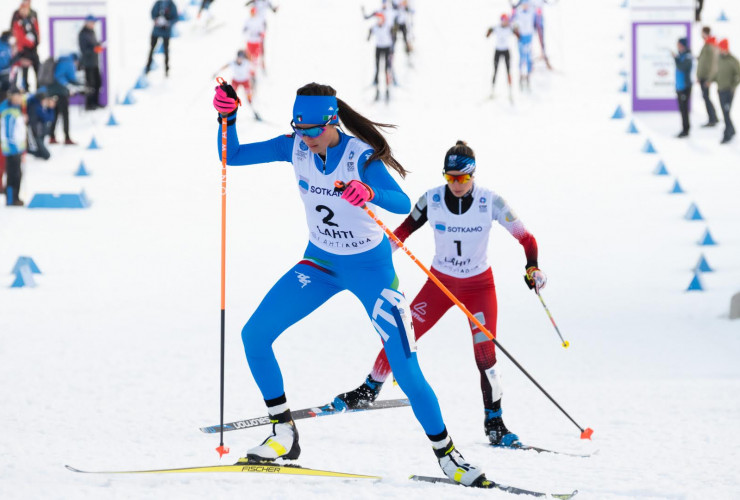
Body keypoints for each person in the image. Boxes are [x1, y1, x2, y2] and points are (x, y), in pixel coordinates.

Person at [211, 81, 487, 487]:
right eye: (298, 130)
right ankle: (283, 433)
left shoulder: (360, 156)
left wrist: (369, 189)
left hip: (371, 271)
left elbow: (398, 200)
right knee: (254, 335)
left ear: (331, 121)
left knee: (405, 369)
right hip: (320, 263)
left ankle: (448, 456)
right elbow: (230, 155)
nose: (304, 140)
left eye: (312, 131)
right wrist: (227, 118)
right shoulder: (294, 146)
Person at [332, 141, 545, 447]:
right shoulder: (431, 199)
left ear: (473, 175)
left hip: (478, 286)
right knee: (401, 334)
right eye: (450, 178)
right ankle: (369, 389)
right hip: (440, 285)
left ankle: (494, 422)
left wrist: (533, 268)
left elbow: (526, 238)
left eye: (462, 178)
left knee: (486, 357)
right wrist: (377, 257)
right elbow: (402, 233)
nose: (456, 184)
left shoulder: (491, 201)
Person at [213, 50, 261, 121]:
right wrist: (216, 73)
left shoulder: (246, 63)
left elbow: (252, 70)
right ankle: (229, 112)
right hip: (236, 81)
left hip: (245, 81)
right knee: (231, 96)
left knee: (249, 96)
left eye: (242, 58)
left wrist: (254, 78)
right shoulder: (232, 63)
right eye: (239, 57)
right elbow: (225, 66)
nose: (240, 59)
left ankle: (254, 112)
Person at [47, 53, 83, 145]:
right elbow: (71, 78)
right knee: (65, 115)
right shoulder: (69, 64)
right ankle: (67, 137)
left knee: (55, 114)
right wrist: (81, 85)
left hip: (51, 91)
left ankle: (51, 136)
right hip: (61, 92)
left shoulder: (60, 61)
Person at [1, 86, 27, 206]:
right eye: (18, 96)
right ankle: (11, 199)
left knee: (17, 174)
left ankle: (15, 196)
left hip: (16, 147)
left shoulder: (16, 108)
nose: (21, 98)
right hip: (12, 148)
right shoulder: (8, 111)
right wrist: (14, 146)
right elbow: (8, 131)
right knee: (13, 175)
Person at [10, 0, 40, 91]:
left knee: (38, 69)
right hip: (23, 49)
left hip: (33, 49)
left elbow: (36, 30)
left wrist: (36, 42)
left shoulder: (33, 14)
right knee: (24, 71)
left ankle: (39, 90)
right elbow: (17, 33)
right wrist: (26, 44)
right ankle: (25, 89)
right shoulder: (16, 16)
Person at [715, 39, 740, 144]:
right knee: (725, 112)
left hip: (728, 91)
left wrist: (733, 86)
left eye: (721, 48)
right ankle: (732, 130)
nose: (720, 50)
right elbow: (718, 73)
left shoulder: (733, 60)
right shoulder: (719, 59)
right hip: (720, 89)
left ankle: (727, 134)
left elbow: (738, 75)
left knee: (726, 112)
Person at [145, 0, 178, 77]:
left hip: (166, 32)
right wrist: (156, 20)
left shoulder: (172, 5)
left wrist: (168, 23)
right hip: (156, 31)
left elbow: (175, 18)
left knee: (166, 51)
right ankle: (148, 67)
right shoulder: (158, 3)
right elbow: (152, 14)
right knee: (152, 49)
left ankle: (166, 70)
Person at [78, 15, 103, 110]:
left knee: (97, 83)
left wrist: (98, 45)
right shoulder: (82, 34)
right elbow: (84, 50)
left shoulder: (92, 32)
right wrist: (94, 49)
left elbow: (94, 45)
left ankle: (96, 103)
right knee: (90, 85)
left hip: (95, 62)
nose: (93, 25)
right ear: (87, 22)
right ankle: (89, 104)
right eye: (92, 23)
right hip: (88, 63)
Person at [486, 14, 514, 99]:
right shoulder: (497, 28)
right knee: (495, 70)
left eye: (506, 21)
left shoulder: (509, 28)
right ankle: (492, 91)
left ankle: (510, 92)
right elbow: (487, 35)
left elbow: (518, 35)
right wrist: (489, 31)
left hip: (506, 51)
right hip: (498, 51)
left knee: (508, 71)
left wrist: (517, 30)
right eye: (503, 20)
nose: (505, 22)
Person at [511, 0, 536, 91]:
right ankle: (521, 75)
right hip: (521, 36)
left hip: (528, 36)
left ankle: (528, 75)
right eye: (524, 4)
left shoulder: (532, 11)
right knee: (521, 57)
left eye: (527, 4)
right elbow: (512, 20)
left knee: (528, 56)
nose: (525, 6)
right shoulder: (518, 12)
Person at [697, 27, 719, 128]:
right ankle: (714, 117)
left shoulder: (711, 46)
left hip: (706, 77)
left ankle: (712, 119)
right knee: (706, 97)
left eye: (702, 33)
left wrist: (709, 79)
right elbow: (703, 61)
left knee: (706, 97)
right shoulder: (706, 45)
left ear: (706, 33)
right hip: (703, 76)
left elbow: (713, 64)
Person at [369, 13, 393, 102]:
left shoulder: (387, 26)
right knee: (378, 69)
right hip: (378, 48)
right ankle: (377, 90)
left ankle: (387, 90)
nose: (379, 21)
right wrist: (369, 33)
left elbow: (392, 37)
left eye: (380, 19)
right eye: (377, 19)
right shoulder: (375, 27)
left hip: (386, 48)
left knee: (386, 70)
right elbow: (369, 36)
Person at [25, 88, 55, 160]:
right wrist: (51, 108)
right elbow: (48, 118)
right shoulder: (36, 108)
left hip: (39, 133)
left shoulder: (37, 106)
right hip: (36, 134)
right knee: (46, 155)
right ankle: (26, 151)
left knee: (43, 152)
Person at [673, 37, 692, 138]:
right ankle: (684, 128)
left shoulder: (687, 56)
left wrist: (675, 58)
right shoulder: (681, 55)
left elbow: (681, 67)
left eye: (679, 45)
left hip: (685, 87)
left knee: (684, 110)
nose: (678, 47)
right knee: (681, 109)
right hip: (679, 87)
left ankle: (686, 130)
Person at [242, 7, 265, 71]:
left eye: (253, 13)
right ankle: (249, 69)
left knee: (256, 56)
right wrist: (245, 30)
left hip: (257, 41)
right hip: (250, 41)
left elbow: (262, 30)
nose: (252, 14)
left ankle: (254, 70)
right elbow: (244, 29)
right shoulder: (247, 20)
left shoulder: (259, 20)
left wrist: (260, 34)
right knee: (249, 55)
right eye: (251, 13)